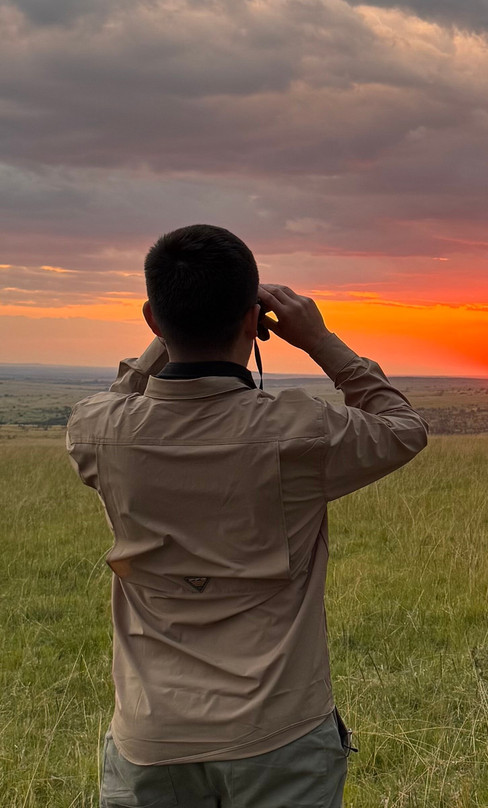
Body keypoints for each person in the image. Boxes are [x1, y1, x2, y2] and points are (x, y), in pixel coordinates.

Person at [66, 224, 428, 807]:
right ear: (249, 321)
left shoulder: (100, 432)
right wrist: (320, 340)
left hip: (149, 736)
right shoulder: (296, 431)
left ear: (152, 320)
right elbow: (404, 428)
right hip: (278, 732)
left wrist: (163, 337)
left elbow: (117, 395)